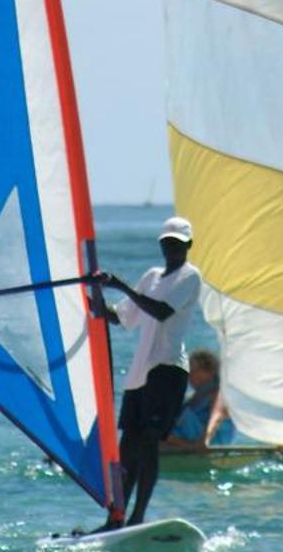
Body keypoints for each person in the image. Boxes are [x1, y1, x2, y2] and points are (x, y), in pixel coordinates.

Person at [97, 216, 202, 524]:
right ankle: (116, 518)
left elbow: (160, 312)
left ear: (188, 246)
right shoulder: (152, 276)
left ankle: (137, 517)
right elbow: (122, 318)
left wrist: (120, 285)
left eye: (178, 245)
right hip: (140, 375)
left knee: (148, 444)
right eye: (168, 243)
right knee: (127, 448)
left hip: (167, 370)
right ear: (161, 244)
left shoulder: (189, 276)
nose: (172, 249)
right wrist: (96, 296)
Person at [163, 348, 236, 451]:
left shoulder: (217, 391)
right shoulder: (198, 394)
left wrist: (204, 441)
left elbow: (218, 415)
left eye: (193, 369)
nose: (189, 373)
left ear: (208, 371)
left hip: (210, 439)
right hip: (193, 435)